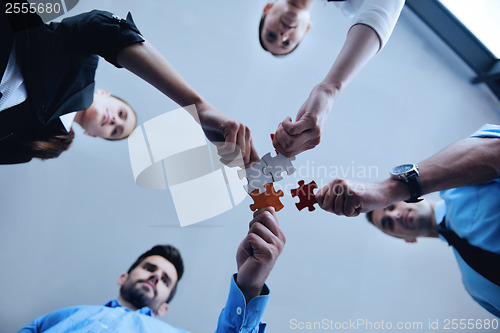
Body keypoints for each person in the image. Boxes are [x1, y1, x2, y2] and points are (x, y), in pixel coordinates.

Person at [0, 0, 258, 166]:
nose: (115, 121)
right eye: (122, 114)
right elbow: (109, 32)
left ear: (92, 135)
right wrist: (199, 106)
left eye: (115, 131)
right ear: (104, 92)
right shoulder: (82, 58)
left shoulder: (32, 145)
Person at [314, 124, 500, 317]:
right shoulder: (476, 288)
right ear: (408, 240)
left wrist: (390, 190)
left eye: (391, 207)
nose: (394, 215)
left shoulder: (463, 186)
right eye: (388, 224)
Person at [19, 207, 286, 332]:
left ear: (163, 309)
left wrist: (248, 287)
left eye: (166, 280)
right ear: (123, 276)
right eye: (149, 268)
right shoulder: (57, 318)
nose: (156, 275)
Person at [259, 0, 405, 157]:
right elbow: (381, 11)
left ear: (267, 8)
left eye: (271, 35)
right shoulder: (355, 4)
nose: (282, 36)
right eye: (287, 43)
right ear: (307, 29)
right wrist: (328, 90)